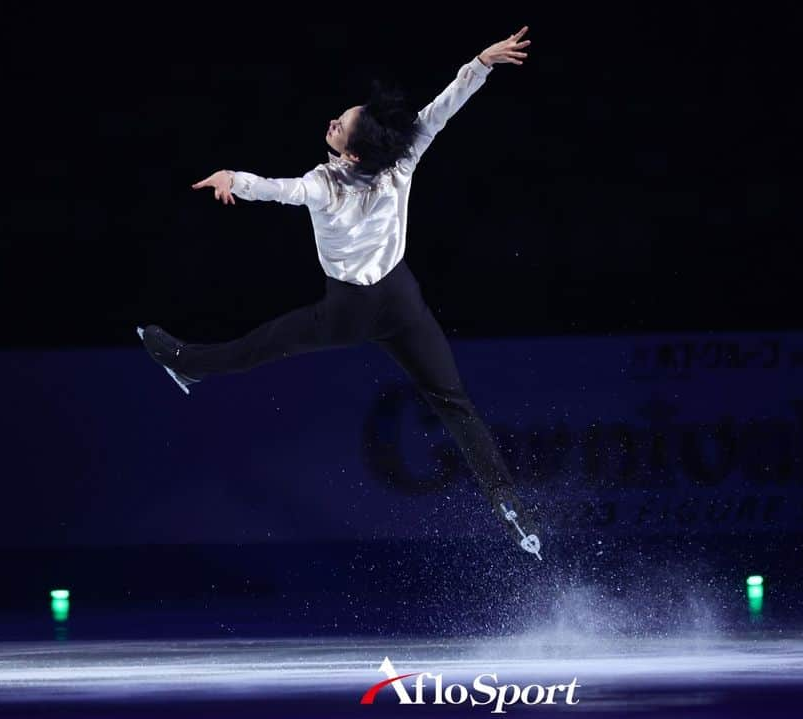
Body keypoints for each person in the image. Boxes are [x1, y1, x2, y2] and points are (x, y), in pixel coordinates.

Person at [138, 27, 541, 559]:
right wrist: (481, 62)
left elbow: (280, 190)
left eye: (341, 125)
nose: (333, 121)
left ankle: (188, 363)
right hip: (401, 303)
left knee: (265, 345)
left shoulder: (325, 183)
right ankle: (507, 504)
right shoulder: (401, 161)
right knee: (452, 402)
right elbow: (441, 110)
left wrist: (234, 177)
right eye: (341, 116)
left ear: (350, 154)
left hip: (350, 311)